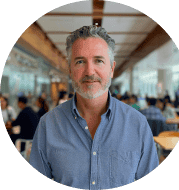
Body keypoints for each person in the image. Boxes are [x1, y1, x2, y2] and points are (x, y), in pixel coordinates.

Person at [30, 25, 159, 189]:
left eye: (98, 60)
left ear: (111, 68)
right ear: (70, 69)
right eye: (80, 61)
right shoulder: (48, 125)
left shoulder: (138, 124)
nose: (89, 71)